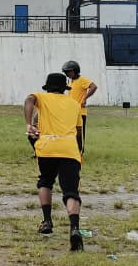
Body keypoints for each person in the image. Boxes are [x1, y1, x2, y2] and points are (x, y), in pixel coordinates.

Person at [25, 72, 85, 252]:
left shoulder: (41, 98)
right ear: (65, 88)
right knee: (71, 191)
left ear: (48, 87)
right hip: (69, 148)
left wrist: (28, 123)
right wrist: (79, 153)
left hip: (47, 147)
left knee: (45, 182)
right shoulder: (74, 104)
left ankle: (47, 221)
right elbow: (79, 133)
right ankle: (74, 228)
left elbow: (28, 100)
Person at [61, 60, 97, 154]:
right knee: (71, 132)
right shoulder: (70, 81)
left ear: (75, 70)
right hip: (71, 111)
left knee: (80, 133)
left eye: (69, 71)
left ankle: (80, 152)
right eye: (66, 72)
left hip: (80, 112)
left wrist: (85, 98)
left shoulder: (82, 80)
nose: (67, 74)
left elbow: (93, 86)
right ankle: (73, 150)